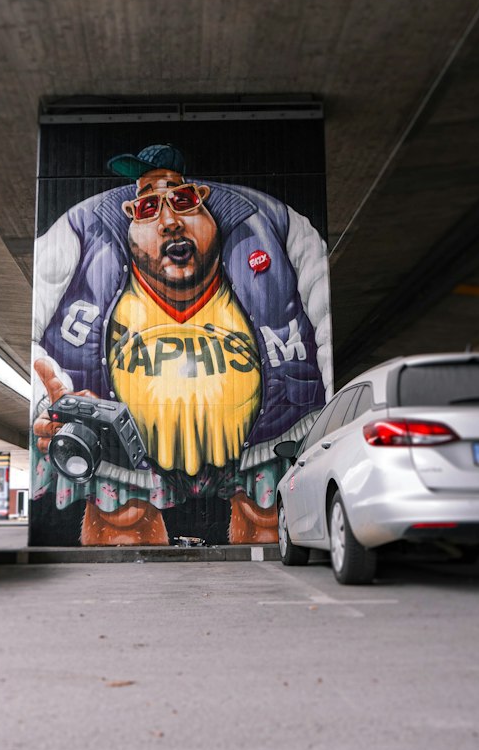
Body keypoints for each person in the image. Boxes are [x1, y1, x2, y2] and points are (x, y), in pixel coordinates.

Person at [31, 143, 331, 545]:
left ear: (204, 199)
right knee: (121, 523)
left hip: (270, 434)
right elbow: (31, 339)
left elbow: (327, 324)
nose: (170, 221)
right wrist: (46, 401)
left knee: (269, 518)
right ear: (128, 216)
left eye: (183, 201)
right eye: (147, 208)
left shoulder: (275, 224)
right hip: (116, 446)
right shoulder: (78, 232)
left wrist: (334, 420)